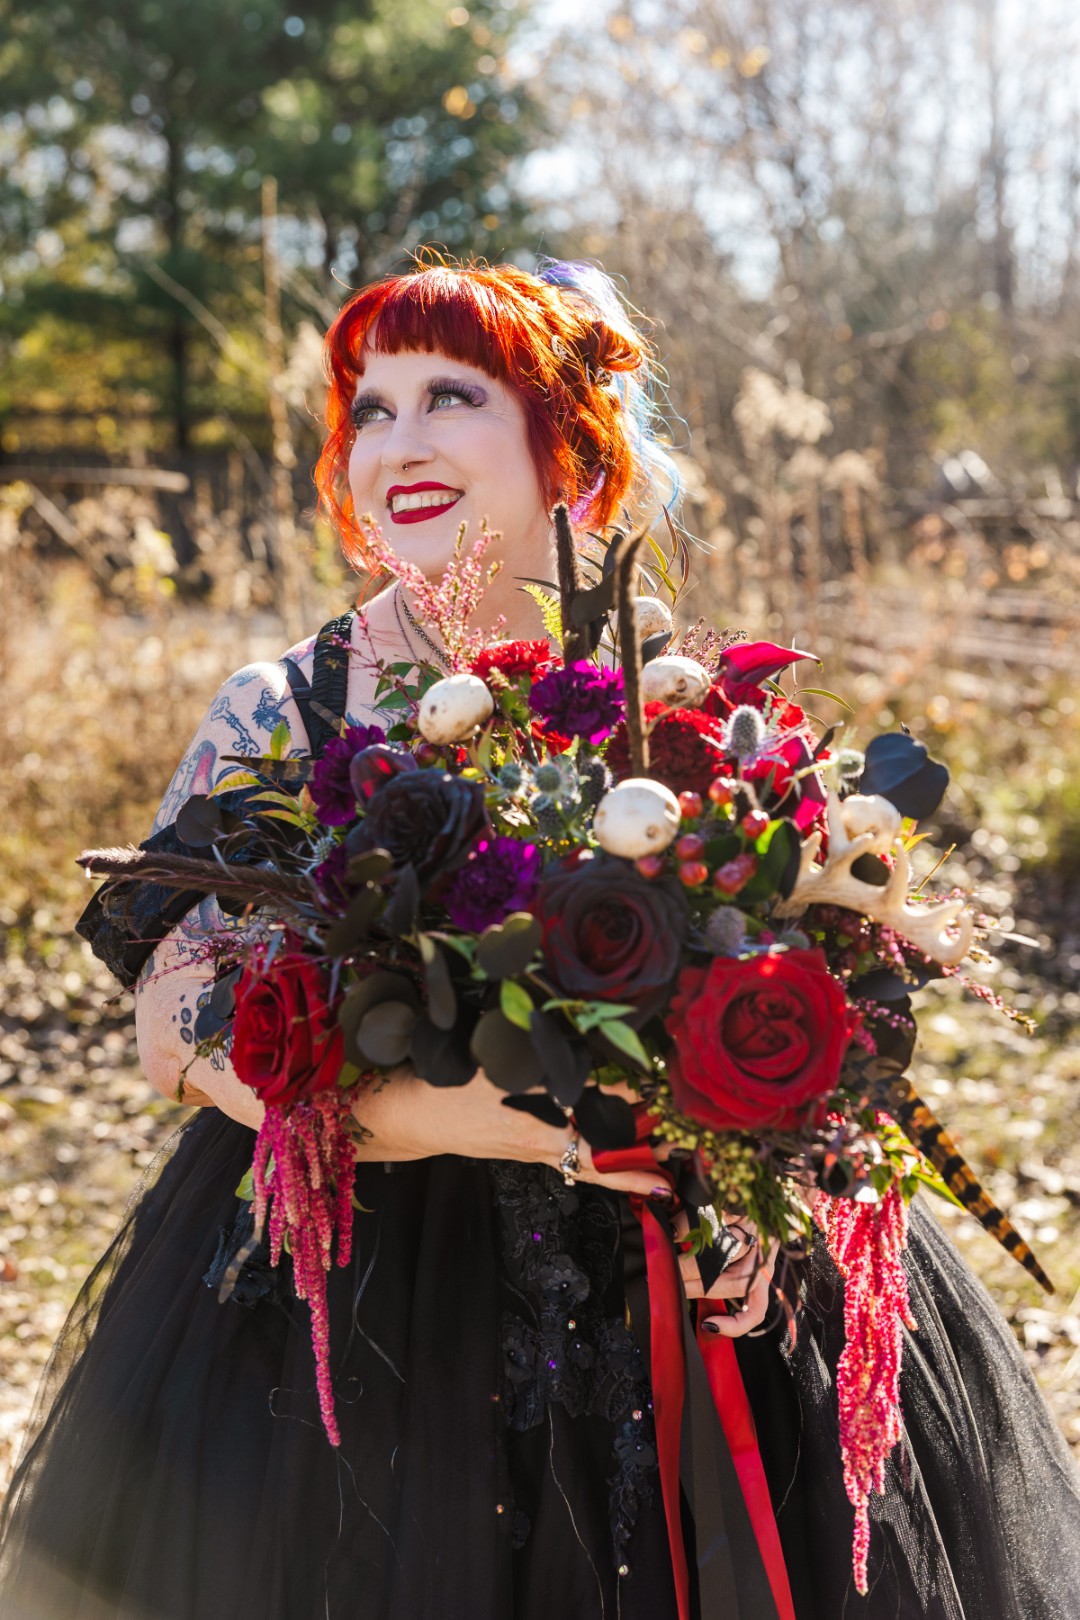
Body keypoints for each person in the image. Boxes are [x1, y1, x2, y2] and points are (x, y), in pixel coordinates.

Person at [1, 257, 1078, 1620]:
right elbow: (179, 1030)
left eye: (451, 394)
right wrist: (503, 1120)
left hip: (676, 1311)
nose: (398, 441)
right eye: (371, 406)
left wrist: (761, 1197)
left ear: (566, 441)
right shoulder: (284, 706)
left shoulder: (675, 706)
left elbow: (787, 1004)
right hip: (361, 1311)